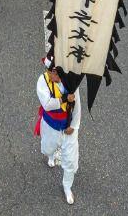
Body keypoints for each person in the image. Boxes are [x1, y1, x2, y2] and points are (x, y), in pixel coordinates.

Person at [35, 59, 81, 204]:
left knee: (70, 160)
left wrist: (73, 125)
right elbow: (48, 104)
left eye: (56, 73)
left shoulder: (70, 81)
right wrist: (65, 98)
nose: (54, 76)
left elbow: (77, 105)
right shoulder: (43, 81)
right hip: (51, 124)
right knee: (48, 148)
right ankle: (51, 156)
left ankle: (67, 186)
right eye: (52, 72)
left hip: (68, 127)